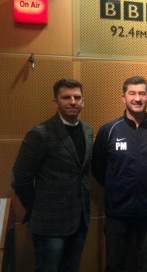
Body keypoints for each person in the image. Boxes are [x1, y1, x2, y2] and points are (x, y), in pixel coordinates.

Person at [91, 76, 147, 272]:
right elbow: (98, 167)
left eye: (142, 93)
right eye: (132, 93)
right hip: (117, 212)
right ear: (123, 98)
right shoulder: (108, 130)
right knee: (115, 264)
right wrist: (116, 186)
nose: (137, 98)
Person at [12, 78, 93, 272]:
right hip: (48, 223)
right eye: (66, 97)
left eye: (77, 97)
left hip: (80, 219)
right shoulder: (40, 133)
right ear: (55, 102)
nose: (72, 101)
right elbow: (20, 178)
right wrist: (37, 207)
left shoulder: (88, 131)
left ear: (83, 101)